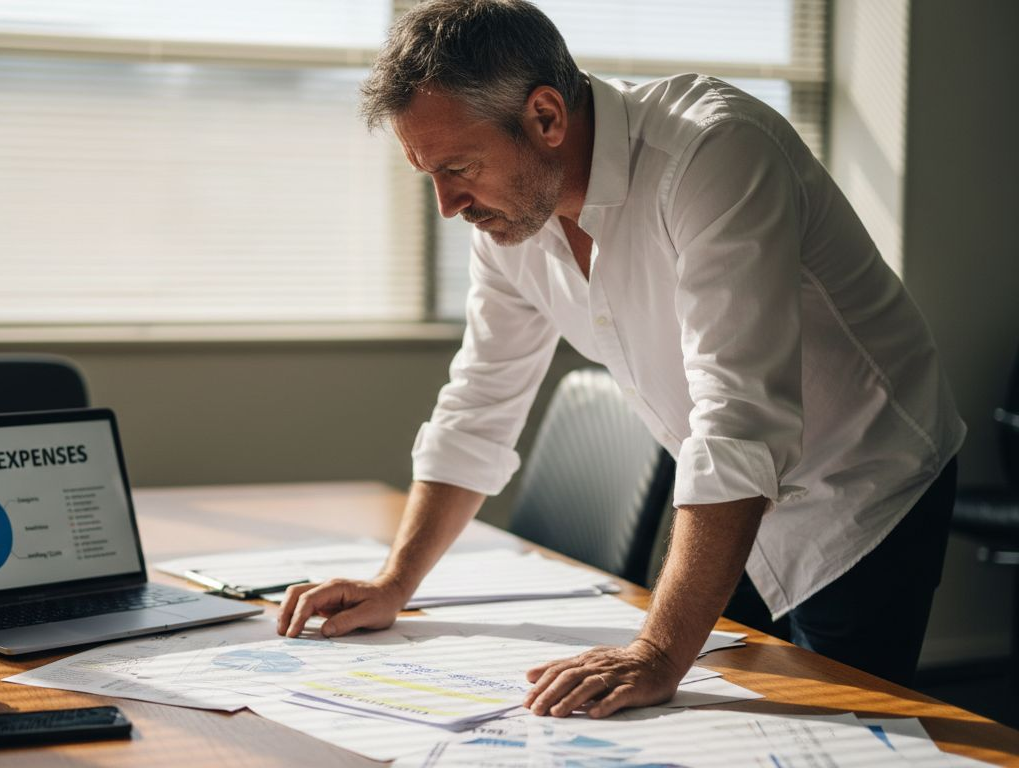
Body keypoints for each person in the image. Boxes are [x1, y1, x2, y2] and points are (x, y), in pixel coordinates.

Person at [277, 0, 965, 718]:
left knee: (831, 727)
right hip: (725, 484)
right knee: (696, 720)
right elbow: (479, 405)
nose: (448, 205)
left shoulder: (713, 152)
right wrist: (394, 583)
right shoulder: (509, 220)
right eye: (429, 175)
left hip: (862, 476)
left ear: (546, 119)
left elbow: (741, 419)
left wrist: (659, 652)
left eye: (457, 167)